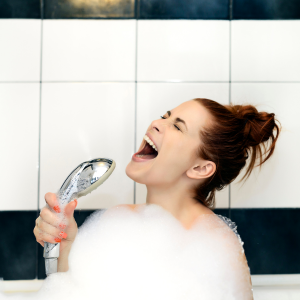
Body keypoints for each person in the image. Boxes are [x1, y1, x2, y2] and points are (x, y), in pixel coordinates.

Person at [33, 98, 281, 297]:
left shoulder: (216, 247)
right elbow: (72, 290)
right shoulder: (117, 220)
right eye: (165, 116)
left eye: (177, 126)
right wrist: (65, 247)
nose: (156, 123)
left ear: (200, 168)